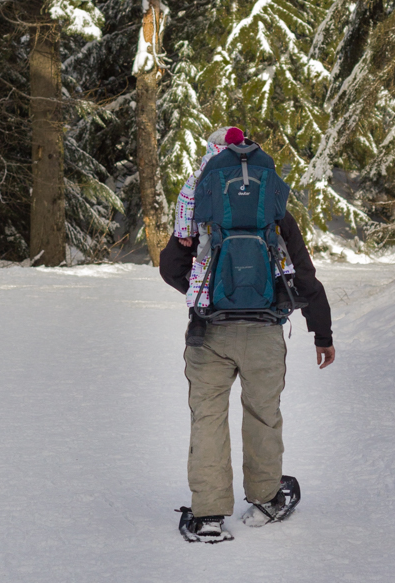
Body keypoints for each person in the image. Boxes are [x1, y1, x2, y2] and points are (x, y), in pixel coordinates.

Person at [160, 126, 335, 543]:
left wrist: (203, 293)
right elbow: (304, 275)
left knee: (208, 420)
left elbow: (170, 266)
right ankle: (266, 499)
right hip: (264, 331)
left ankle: (208, 516)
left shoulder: (200, 202)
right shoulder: (270, 208)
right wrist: (321, 333)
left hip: (209, 333)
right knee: (263, 415)